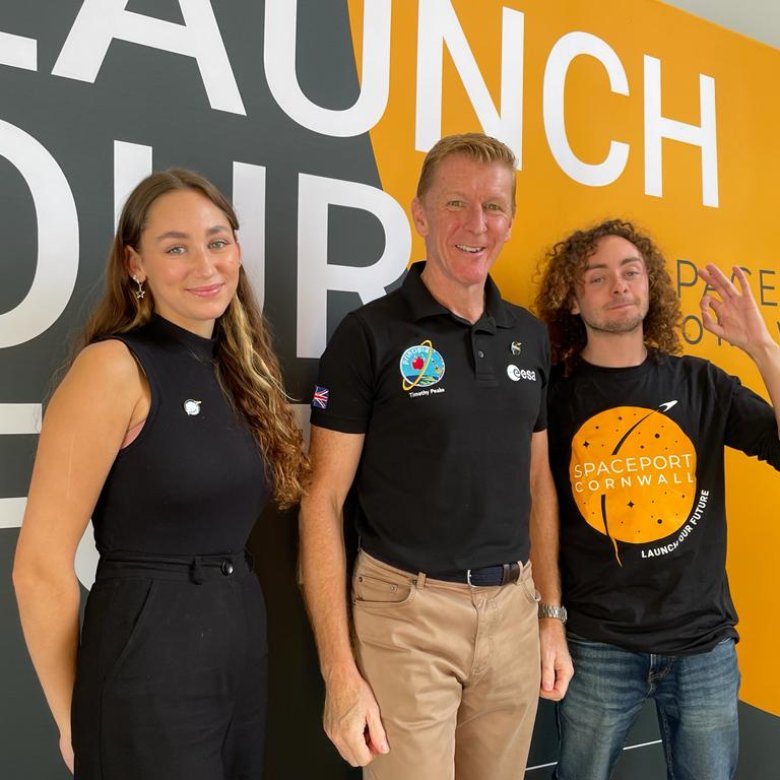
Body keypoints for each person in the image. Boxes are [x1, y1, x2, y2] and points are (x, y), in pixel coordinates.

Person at [13, 169, 309, 779]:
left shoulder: (238, 374)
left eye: (217, 240)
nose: (204, 263)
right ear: (135, 264)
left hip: (237, 647)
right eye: (176, 247)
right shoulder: (114, 368)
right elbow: (38, 569)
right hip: (147, 660)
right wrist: (75, 719)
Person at [299, 132, 572, 780]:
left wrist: (550, 616)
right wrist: (340, 674)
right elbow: (322, 500)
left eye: (494, 207)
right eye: (456, 204)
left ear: (509, 219)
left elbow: (538, 483)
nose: (476, 224)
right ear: (419, 215)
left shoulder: (528, 336)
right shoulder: (370, 335)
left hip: (512, 615)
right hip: (406, 616)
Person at [534, 218, 780, 780]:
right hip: (596, 645)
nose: (618, 285)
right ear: (573, 301)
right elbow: (531, 507)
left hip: (704, 647)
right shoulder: (551, 394)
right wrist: (549, 618)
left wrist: (761, 346)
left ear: (650, 286)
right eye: (597, 277)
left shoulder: (701, 383)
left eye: (630, 271)